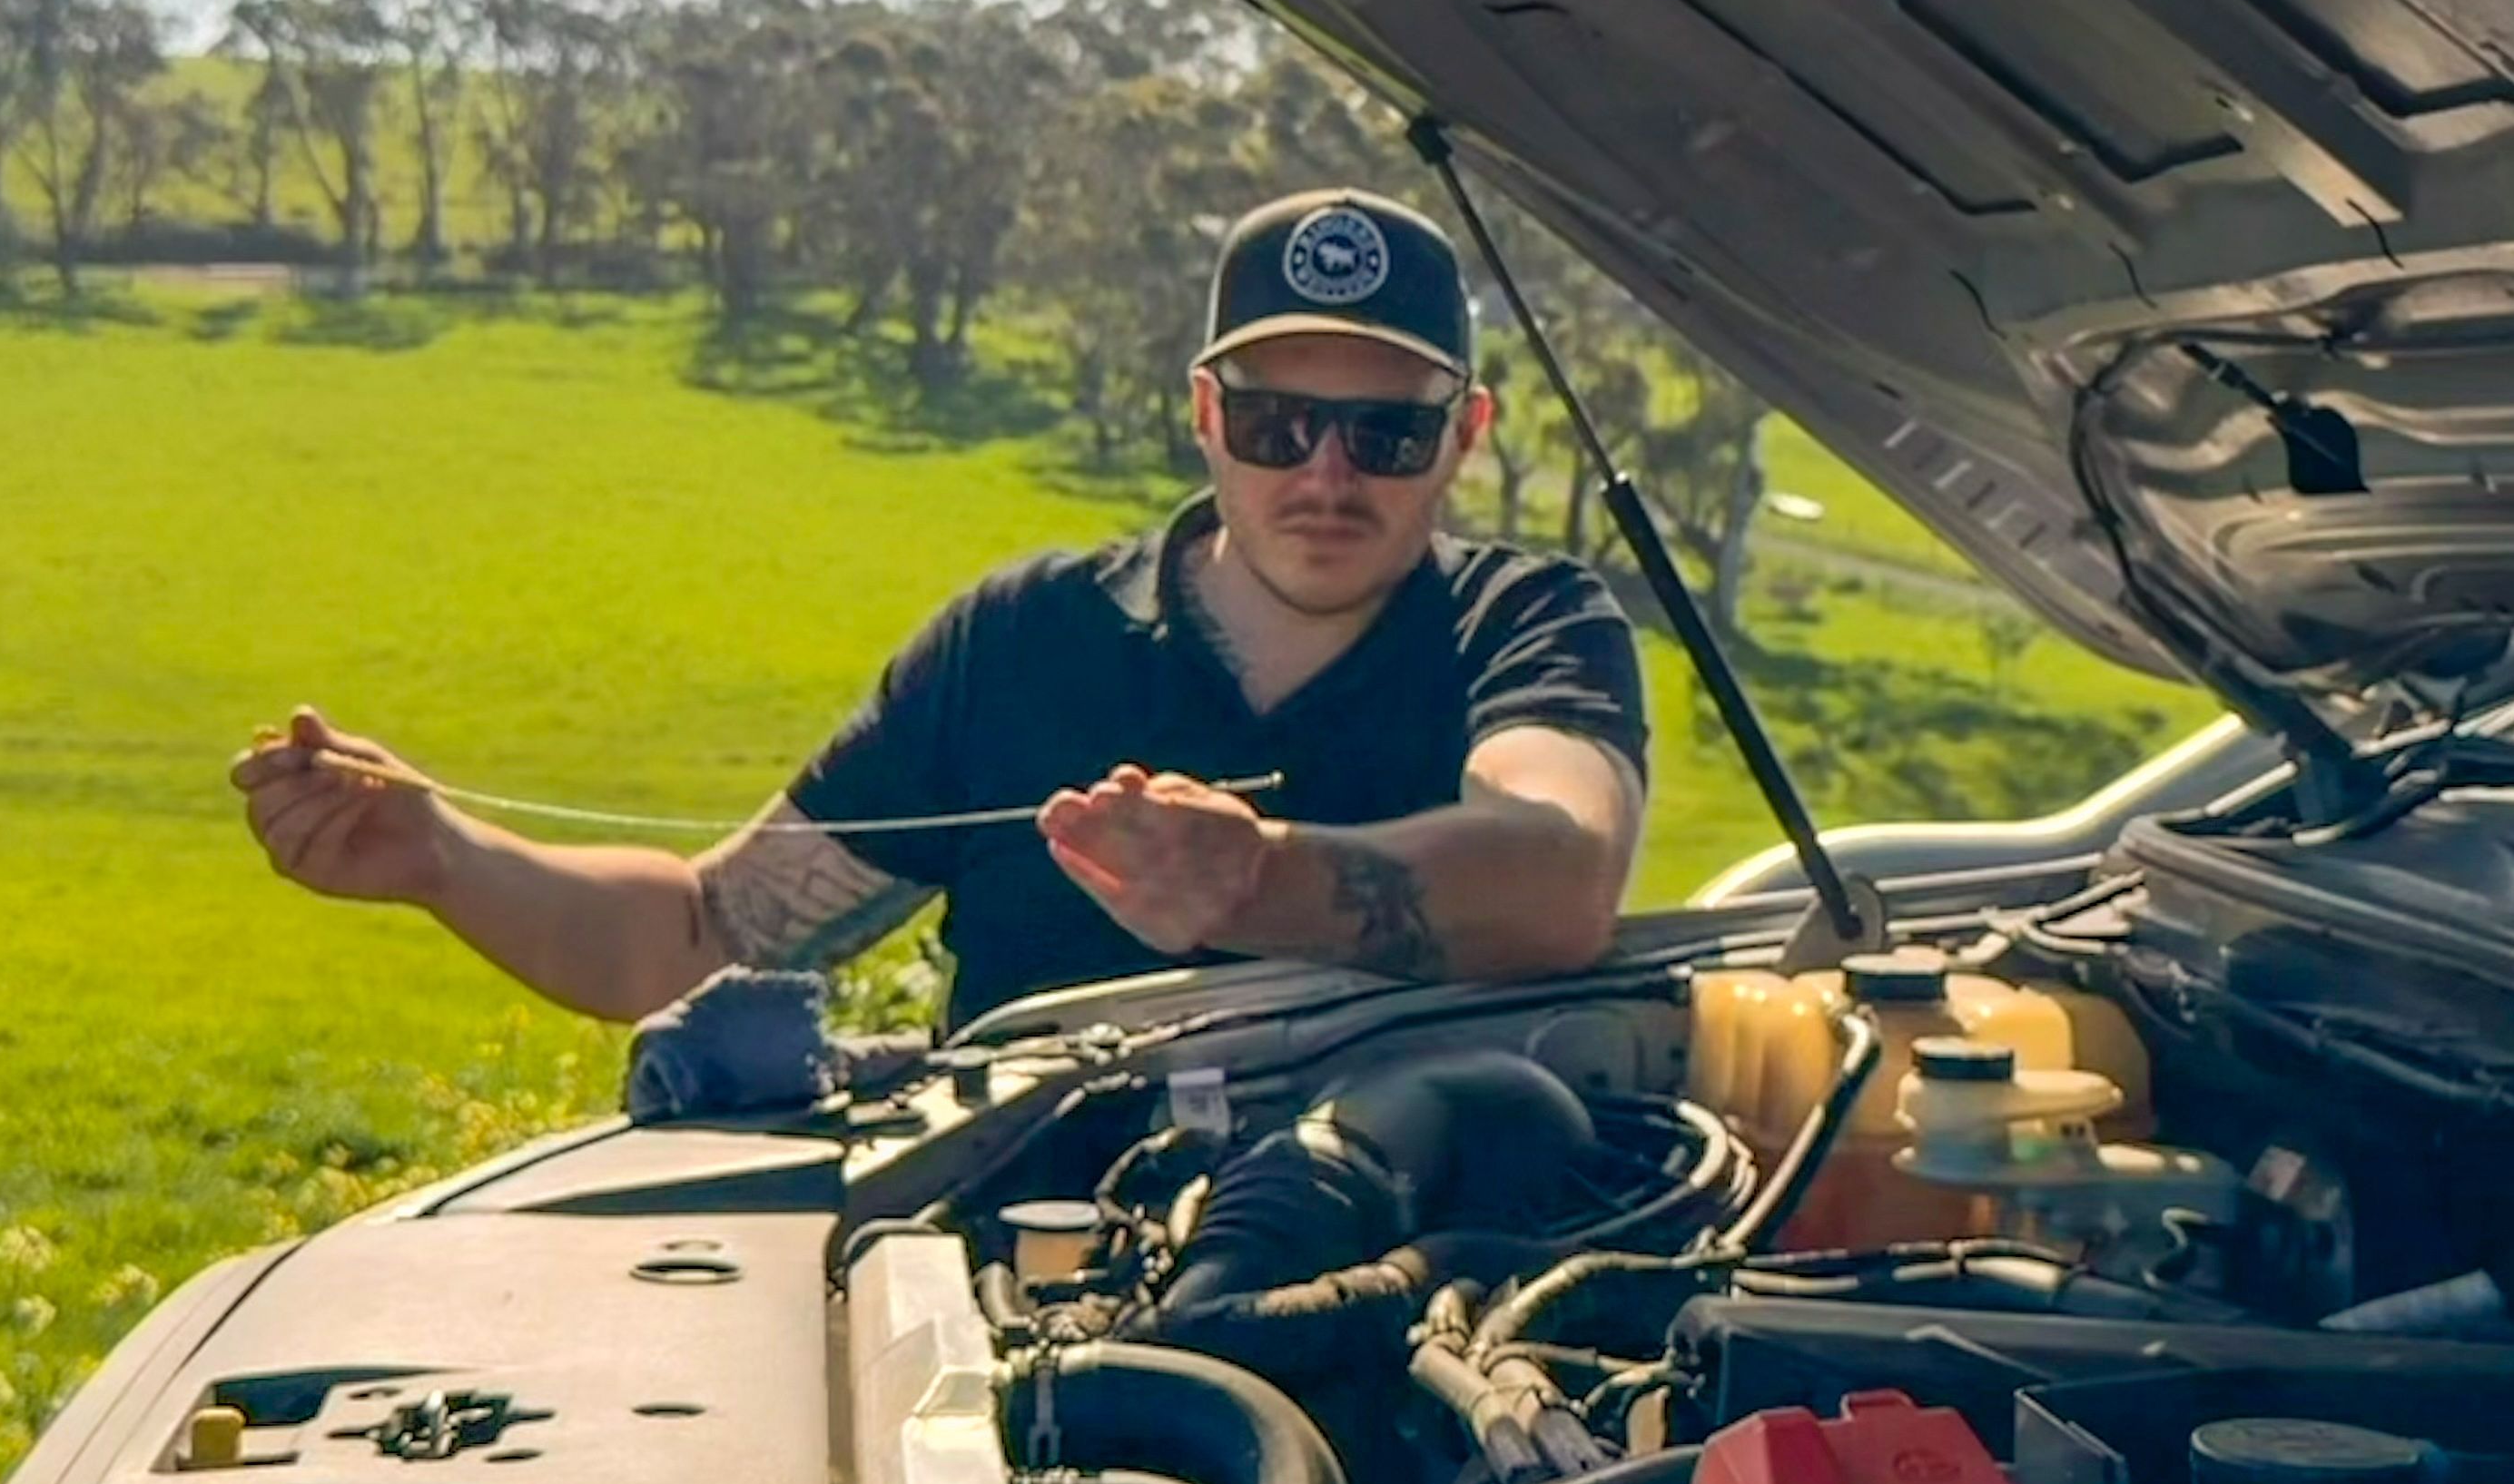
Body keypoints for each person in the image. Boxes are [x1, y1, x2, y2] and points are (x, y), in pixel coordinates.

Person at [232, 188, 1649, 1030]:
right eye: (1281, 424)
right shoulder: (1022, 645)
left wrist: (1255, 881)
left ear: (1466, 435)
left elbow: (1559, 874)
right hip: (1022, 1297)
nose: (1327, 476)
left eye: (1384, 436)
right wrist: (441, 855)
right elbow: (702, 935)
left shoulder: (1528, 626)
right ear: (1208, 417)